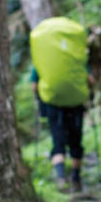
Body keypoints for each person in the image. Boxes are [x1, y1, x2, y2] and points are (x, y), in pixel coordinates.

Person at [30, 17, 91, 192]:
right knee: (75, 141)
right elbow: (89, 78)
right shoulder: (75, 57)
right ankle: (76, 178)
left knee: (58, 140)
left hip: (52, 103)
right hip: (76, 102)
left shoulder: (43, 62)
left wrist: (38, 99)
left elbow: (34, 84)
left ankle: (61, 178)